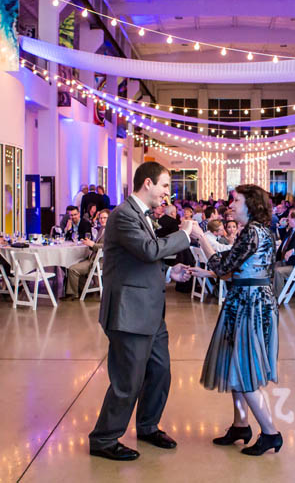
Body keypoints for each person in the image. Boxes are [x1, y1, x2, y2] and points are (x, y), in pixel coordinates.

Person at [88, 161, 193, 462]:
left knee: (160, 372)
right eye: (164, 186)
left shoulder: (141, 215)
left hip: (150, 312)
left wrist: (168, 273)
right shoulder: (123, 215)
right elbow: (148, 250)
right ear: (148, 183)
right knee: (128, 380)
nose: (166, 193)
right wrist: (184, 234)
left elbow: (142, 260)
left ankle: (147, 425)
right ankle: (104, 438)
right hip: (129, 314)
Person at [189, 184, 282, 456]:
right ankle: (241, 425)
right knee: (236, 365)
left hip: (248, 305)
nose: (231, 205)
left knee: (244, 368)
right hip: (252, 300)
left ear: (250, 205)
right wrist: (208, 273)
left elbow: (224, 266)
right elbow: (242, 268)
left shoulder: (252, 231)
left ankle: (271, 433)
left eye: (236, 200)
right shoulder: (260, 230)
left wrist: (200, 237)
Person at [63, 236, 103, 301]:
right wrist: (90, 244)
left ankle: (72, 294)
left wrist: (93, 244)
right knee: (75, 263)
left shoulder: (111, 232)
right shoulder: (103, 231)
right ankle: (84, 289)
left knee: (73, 269)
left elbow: (107, 246)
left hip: (99, 262)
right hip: (93, 259)